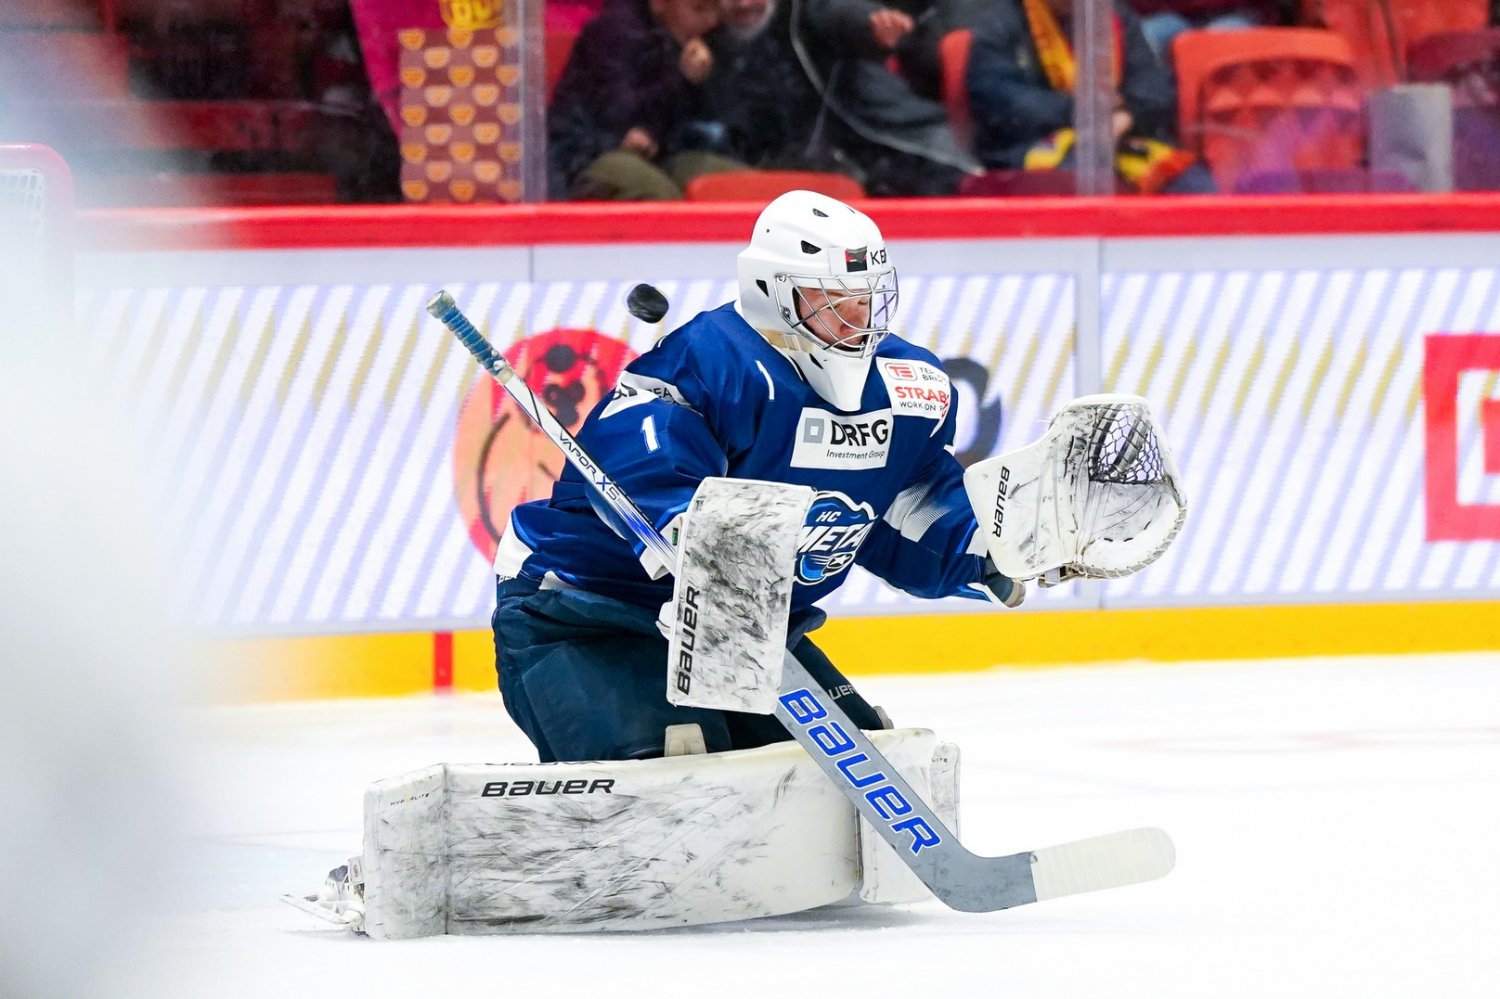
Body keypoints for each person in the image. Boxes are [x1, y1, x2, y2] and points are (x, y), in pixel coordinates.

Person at [490, 190, 1024, 764]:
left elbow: (906, 509)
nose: (857, 321)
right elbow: (645, 463)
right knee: (672, 773)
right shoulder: (709, 361)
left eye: (867, 299)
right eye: (831, 300)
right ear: (771, 291)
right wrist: (691, 528)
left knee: (856, 769)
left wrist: (994, 546)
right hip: (588, 609)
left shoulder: (905, 385)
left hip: (748, 628)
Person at [966, 0, 1217, 194]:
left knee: (1194, 185)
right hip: (1033, 146)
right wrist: (1087, 111)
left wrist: (1127, 117)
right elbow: (1001, 101)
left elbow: (1155, 88)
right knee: (1081, 179)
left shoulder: (1113, 14)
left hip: (1120, 136)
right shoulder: (1001, 21)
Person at [547, 0, 749, 199]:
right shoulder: (616, 31)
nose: (711, 20)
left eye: (716, 9)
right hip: (588, 155)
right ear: (659, 4)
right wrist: (681, 79)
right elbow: (618, 113)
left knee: (739, 184)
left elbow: (718, 116)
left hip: (666, 153)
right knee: (659, 195)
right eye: (698, 8)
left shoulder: (708, 37)